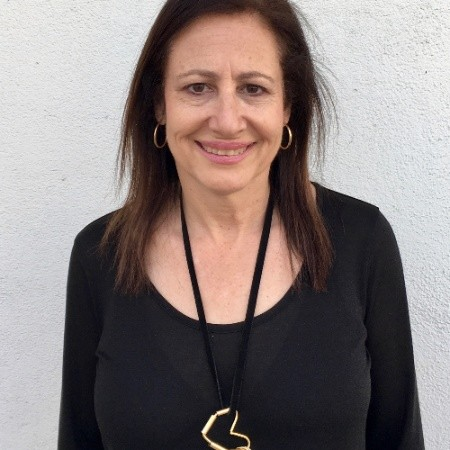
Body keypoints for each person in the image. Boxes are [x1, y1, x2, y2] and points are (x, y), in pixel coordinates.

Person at [58, 0, 424, 448]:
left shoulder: (362, 243)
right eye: (197, 87)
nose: (227, 122)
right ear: (159, 105)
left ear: (288, 107)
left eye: (253, 88)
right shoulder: (100, 256)